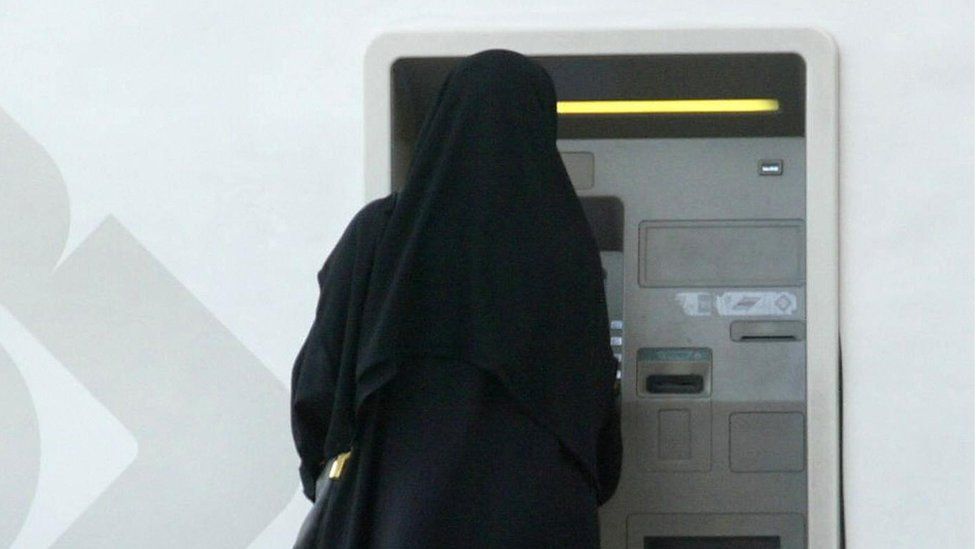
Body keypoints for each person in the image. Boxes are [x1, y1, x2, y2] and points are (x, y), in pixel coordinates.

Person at [290, 49, 621, 548]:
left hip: (398, 512)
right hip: (541, 517)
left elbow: (318, 381)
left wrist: (328, 473)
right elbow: (594, 402)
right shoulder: (566, 252)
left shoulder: (379, 236)